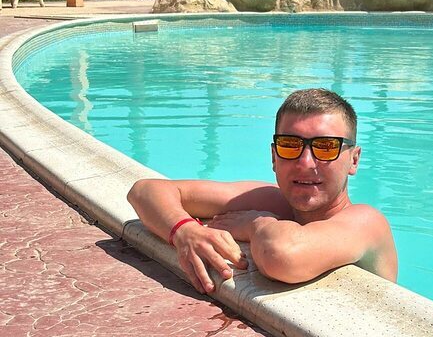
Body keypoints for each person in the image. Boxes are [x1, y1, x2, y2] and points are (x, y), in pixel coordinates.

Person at [127, 88, 398, 294]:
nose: (306, 162)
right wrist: (184, 231)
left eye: (326, 147)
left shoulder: (366, 223)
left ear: (354, 160)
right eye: (290, 145)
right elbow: (145, 191)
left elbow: (282, 255)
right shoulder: (272, 199)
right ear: (273, 157)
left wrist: (255, 224)